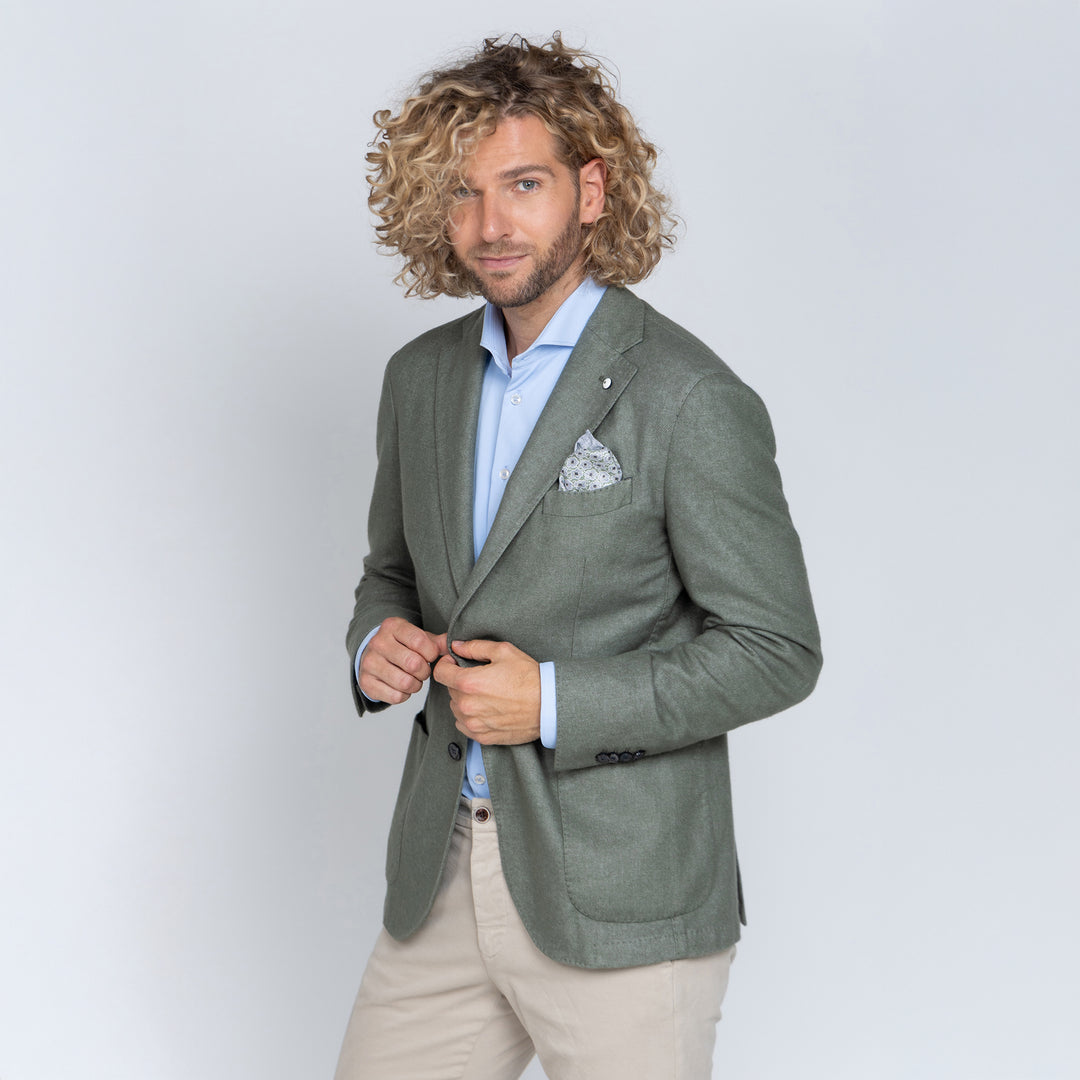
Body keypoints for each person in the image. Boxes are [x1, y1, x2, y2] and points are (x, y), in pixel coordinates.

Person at [335, 33, 821, 1080]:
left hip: (623, 893)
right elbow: (392, 570)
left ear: (591, 192)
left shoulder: (689, 397)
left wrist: (552, 702)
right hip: (441, 875)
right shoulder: (419, 380)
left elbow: (776, 649)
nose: (491, 225)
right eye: (462, 193)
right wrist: (376, 640)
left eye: (524, 185)